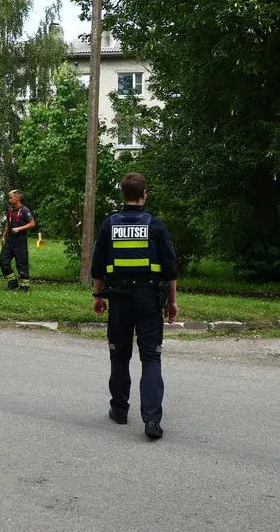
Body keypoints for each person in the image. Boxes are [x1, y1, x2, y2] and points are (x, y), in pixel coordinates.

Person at [90, 172, 179, 440]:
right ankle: (152, 420)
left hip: (117, 298)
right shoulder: (155, 225)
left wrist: (97, 295)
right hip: (149, 298)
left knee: (119, 355)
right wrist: (172, 301)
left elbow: (97, 265)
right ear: (145, 194)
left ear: (123, 194)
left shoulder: (109, 225)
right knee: (151, 358)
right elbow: (171, 267)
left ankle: (119, 410)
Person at [0, 190, 36, 292]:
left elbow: (32, 224)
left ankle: (24, 286)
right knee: (3, 262)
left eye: (11, 198)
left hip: (20, 242)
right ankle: (12, 282)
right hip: (9, 241)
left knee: (21, 264)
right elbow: (8, 224)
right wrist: (3, 237)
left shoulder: (25, 210)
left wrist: (20, 228)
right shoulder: (10, 210)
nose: (9, 200)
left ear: (17, 198)